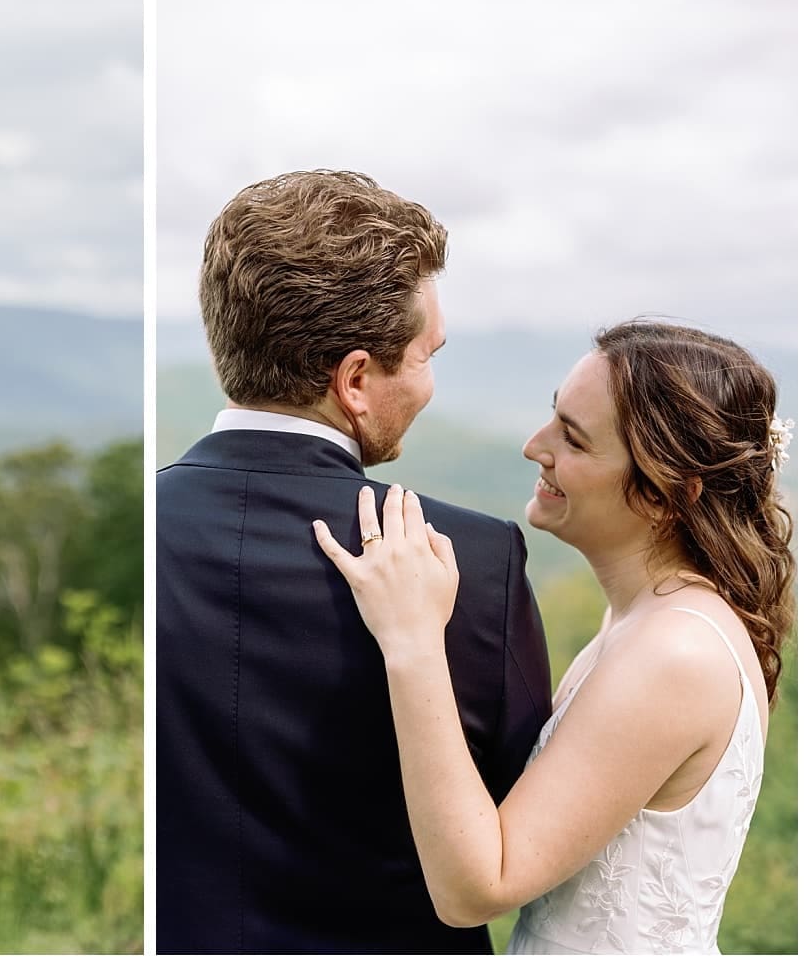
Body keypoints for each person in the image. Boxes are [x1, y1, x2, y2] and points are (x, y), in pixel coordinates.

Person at [155, 170, 554, 953]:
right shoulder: (473, 556)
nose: (431, 381)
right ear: (357, 380)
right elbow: (516, 823)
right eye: (426, 355)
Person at [316, 321, 790, 954]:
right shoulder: (644, 622)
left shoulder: (676, 653)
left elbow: (477, 888)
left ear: (669, 495)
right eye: (552, 418)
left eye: (574, 438)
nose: (534, 447)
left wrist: (412, 640)